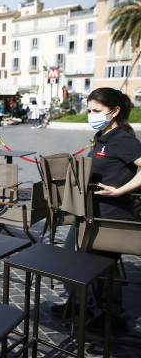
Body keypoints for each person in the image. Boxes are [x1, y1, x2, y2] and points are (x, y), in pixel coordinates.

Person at [52, 87, 141, 334]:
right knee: (89, 265)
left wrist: (121, 190)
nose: (91, 114)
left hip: (109, 218)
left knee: (78, 261)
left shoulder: (124, 140)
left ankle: (100, 314)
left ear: (115, 111)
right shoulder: (104, 136)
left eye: (96, 110)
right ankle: (85, 308)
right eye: (88, 110)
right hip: (91, 213)